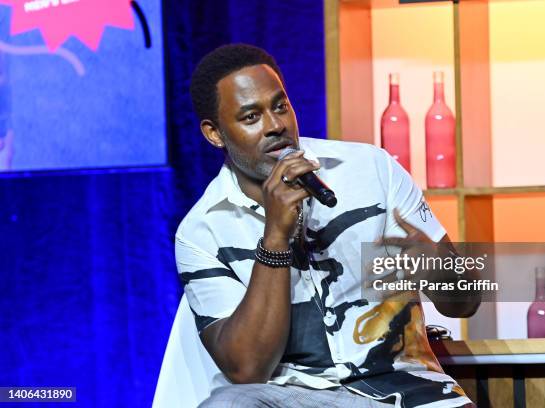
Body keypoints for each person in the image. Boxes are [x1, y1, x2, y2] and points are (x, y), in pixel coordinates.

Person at [176, 43, 480, 408]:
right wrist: (275, 237)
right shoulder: (202, 231)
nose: (275, 126)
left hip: (413, 395)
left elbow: (465, 301)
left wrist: (435, 264)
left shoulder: (372, 170)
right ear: (214, 134)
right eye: (251, 117)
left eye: (280, 106)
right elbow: (247, 369)